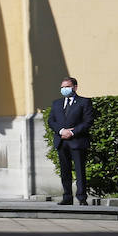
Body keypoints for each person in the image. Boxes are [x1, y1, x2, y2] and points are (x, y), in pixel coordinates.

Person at [48, 76, 92, 205]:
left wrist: (72, 132)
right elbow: (51, 121)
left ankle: (82, 197)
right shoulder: (57, 103)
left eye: (67, 87)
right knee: (65, 171)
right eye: (62, 87)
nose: (64, 89)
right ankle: (67, 197)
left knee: (79, 171)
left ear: (75, 87)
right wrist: (62, 131)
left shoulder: (84, 102)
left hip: (77, 141)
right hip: (62, 141)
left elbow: (88, 121)